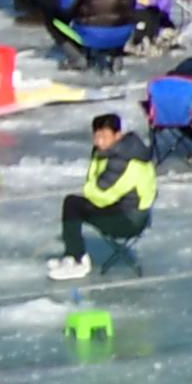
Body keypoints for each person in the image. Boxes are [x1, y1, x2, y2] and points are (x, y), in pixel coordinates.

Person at [49, 112, 155, 283]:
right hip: (126, 210)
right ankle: (72, 256)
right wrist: (91, 190)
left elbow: (102, 195)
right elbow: (96, 184)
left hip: (130, 220)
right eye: (96, 137)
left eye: (104, 137)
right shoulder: (113, 151)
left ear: (117, 136)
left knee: (72, 205)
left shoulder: (122, 160)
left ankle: (77, 260)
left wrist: (88, 191)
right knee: (75, 204)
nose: (99, 142)